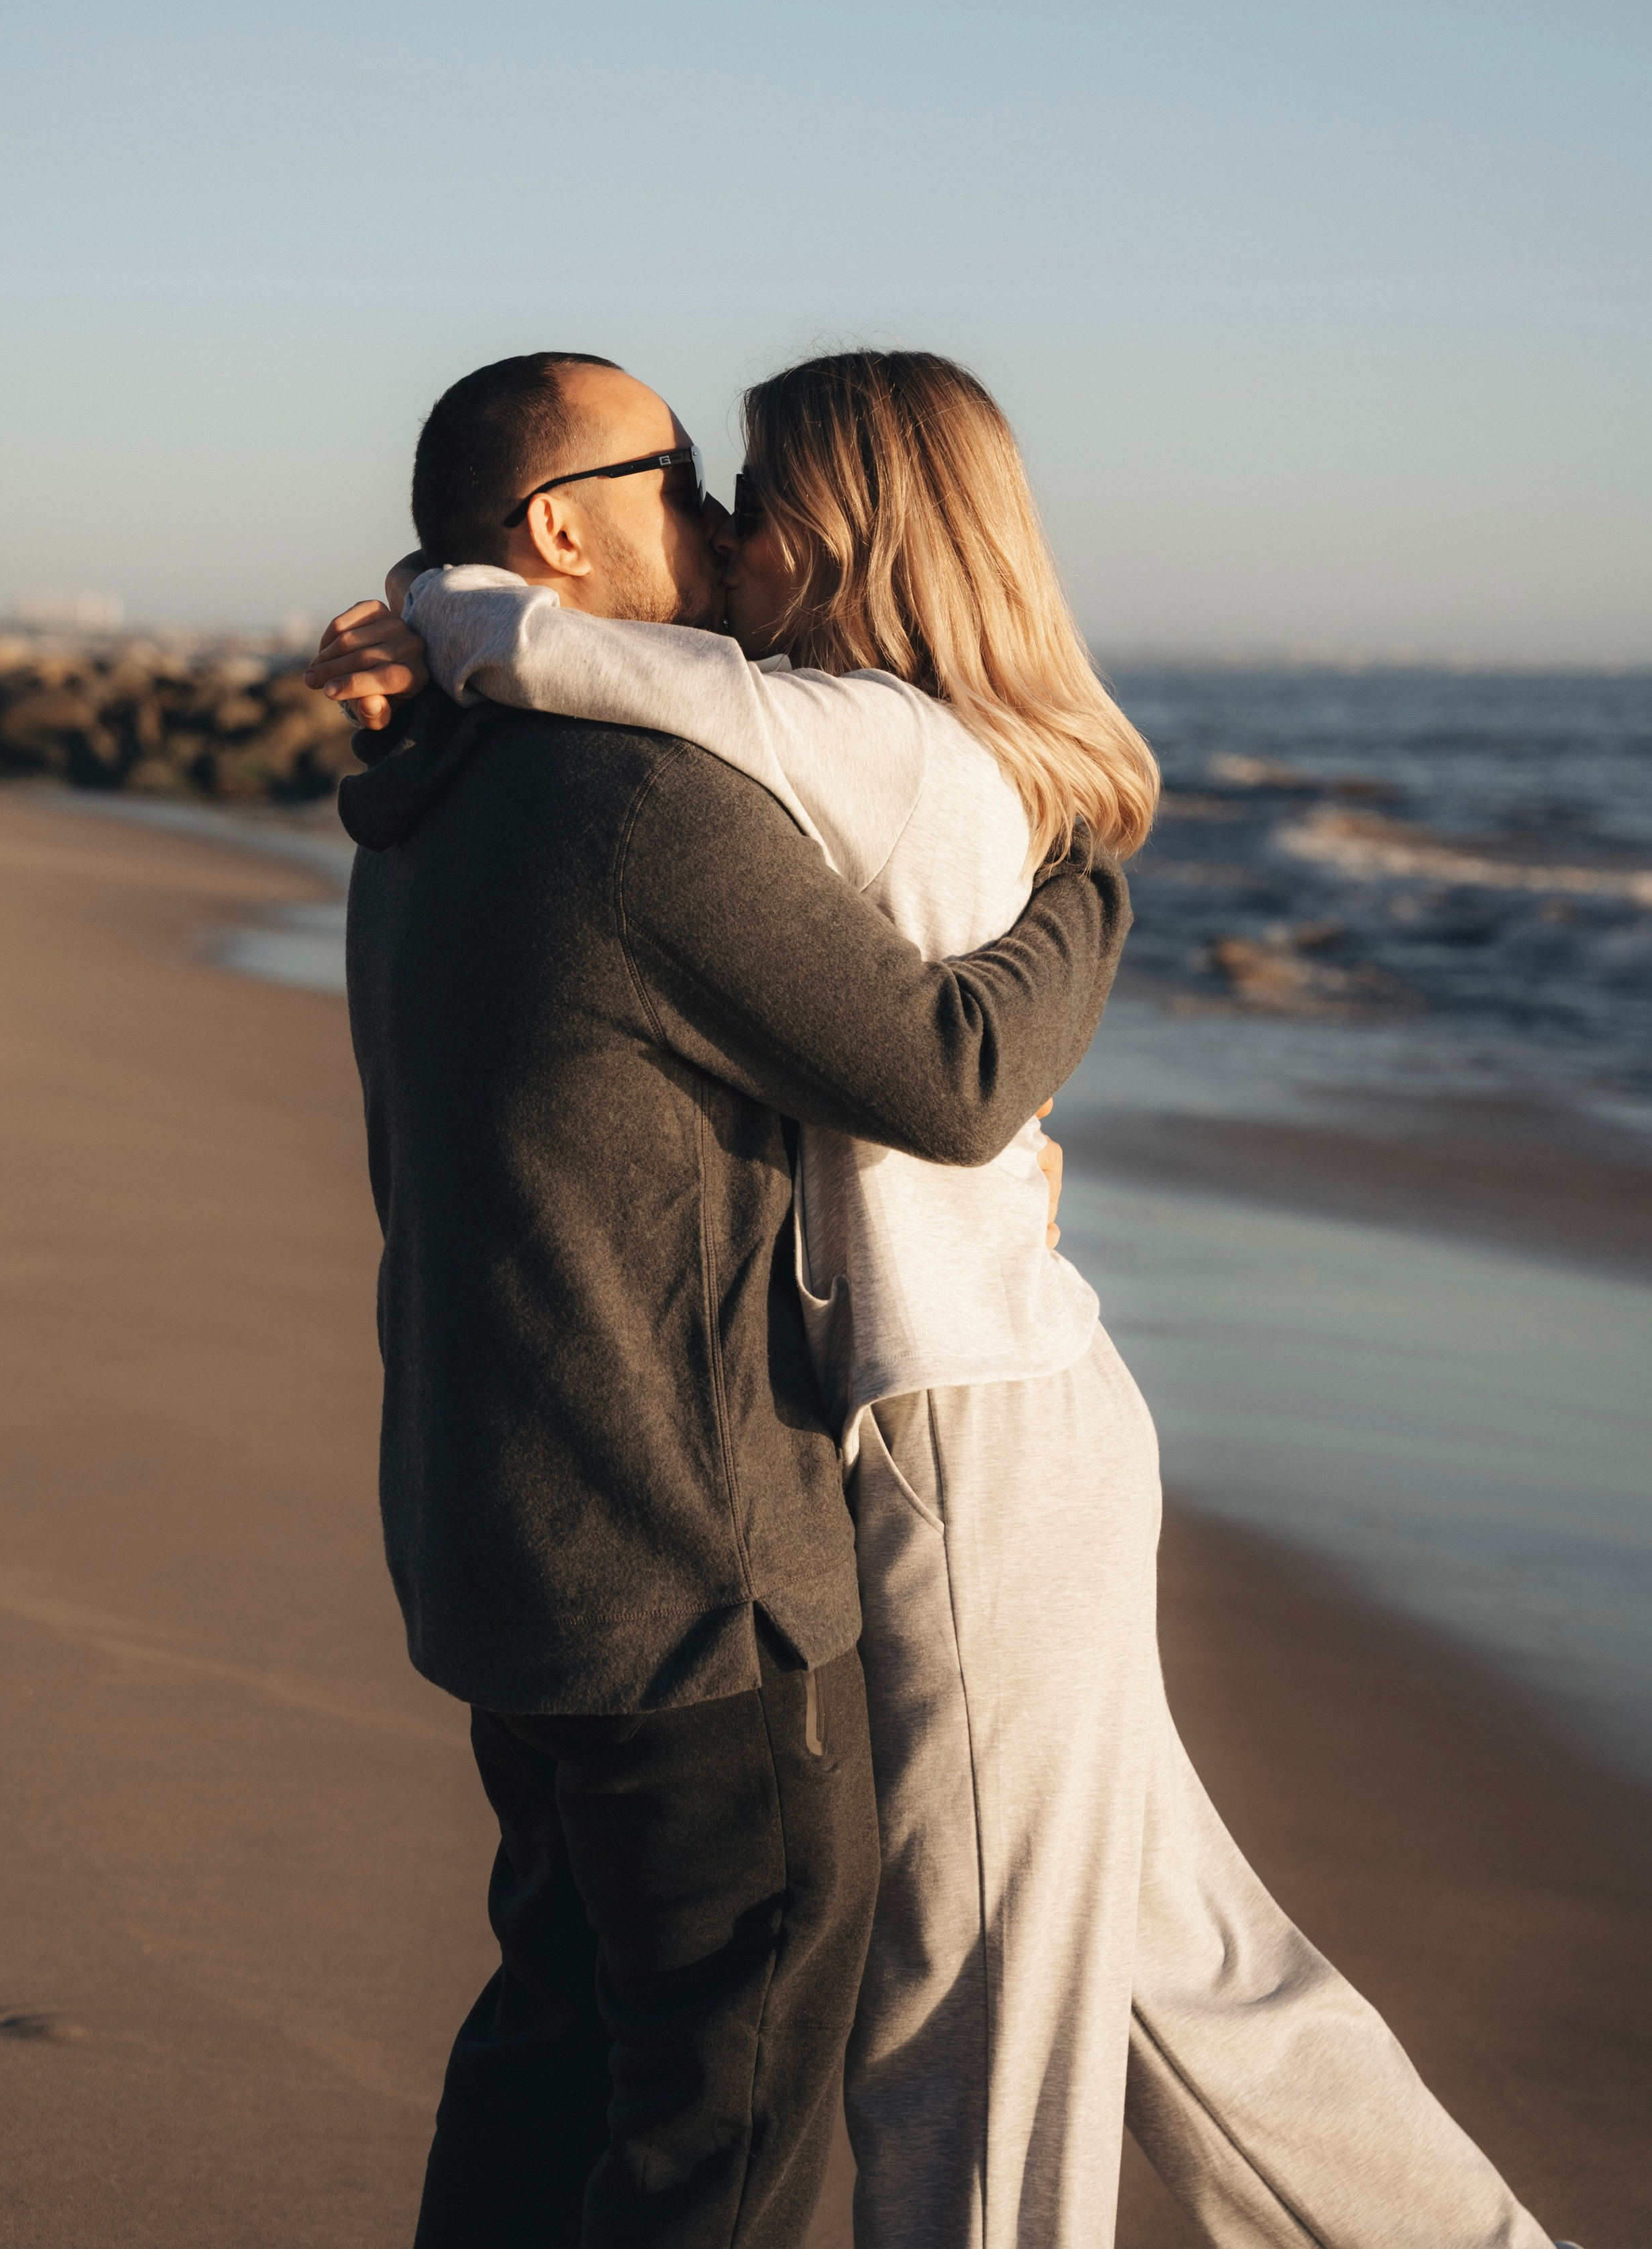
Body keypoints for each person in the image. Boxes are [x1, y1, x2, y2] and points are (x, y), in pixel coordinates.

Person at [316, 349, 1570, 2249]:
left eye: (749, 486)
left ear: (851, 529)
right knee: (1174, 1963)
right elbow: (635, 707)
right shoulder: (783, 743)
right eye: (693, 480)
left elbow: (945, 1063)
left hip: (962, 1430)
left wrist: (450, 613)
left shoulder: (824, 746)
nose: (724, 521)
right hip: (987, 1413)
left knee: (975, 2016)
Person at [324, 350, 1131, 2249]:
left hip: (497, 1537)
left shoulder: (424, 780)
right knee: (723, 2120)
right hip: (690, 1579)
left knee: (555, 2048)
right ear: (560, 529)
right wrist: (1085, 883)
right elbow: (944, 1072)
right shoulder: (635, 805)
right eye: (672, 476)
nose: (716, 516)